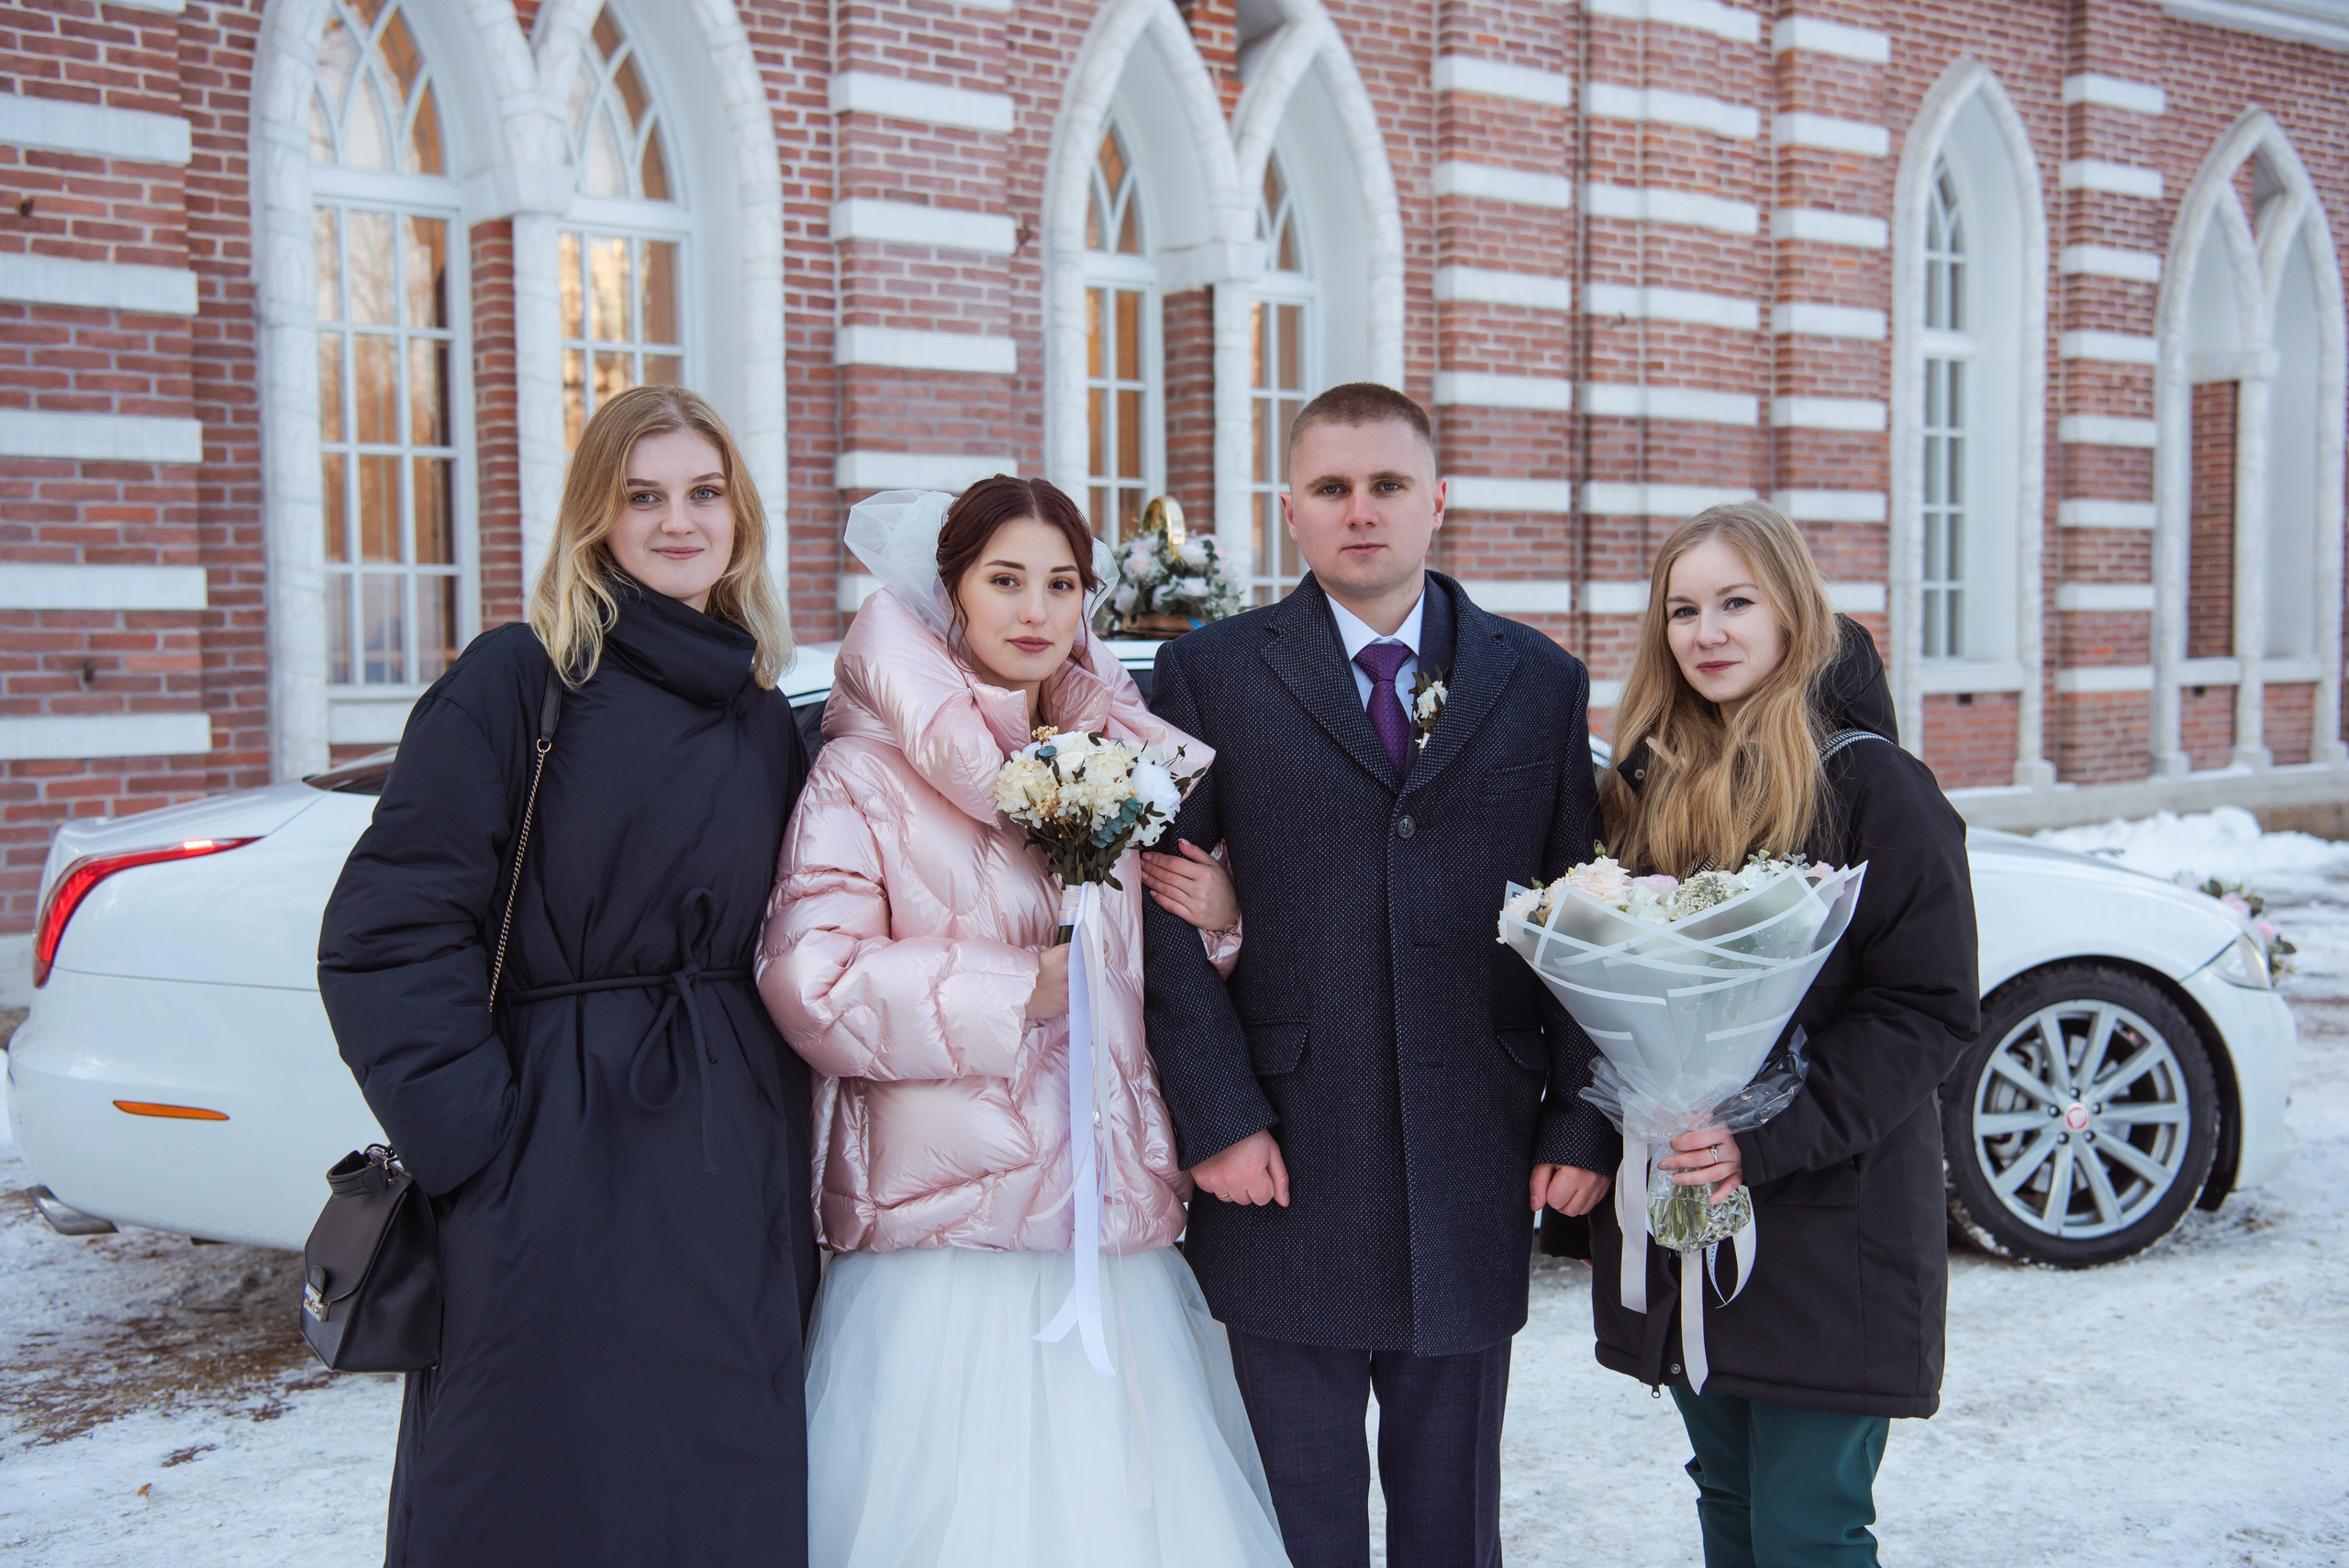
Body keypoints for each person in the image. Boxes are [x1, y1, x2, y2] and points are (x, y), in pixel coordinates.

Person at [317, 385, 817, 1567]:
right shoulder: (519, 678)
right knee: (533, 1481)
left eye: (704, 493)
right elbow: (388, 927)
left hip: (730, 1160)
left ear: (739, 514)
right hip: (551, 1156)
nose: (678, 522)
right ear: (595, 517)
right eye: (643, 496)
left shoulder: (757, 713)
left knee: (718, 1480)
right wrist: (480, 1142)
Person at [760, 477, 1289, 1568]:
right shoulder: (867, 771)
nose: (1036, 610)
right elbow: (810, 978)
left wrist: (1225, 918)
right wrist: (1015, 992)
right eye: (1005, 579)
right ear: (948, 591)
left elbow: (1170, 975)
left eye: (1061, 583)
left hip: (1106, 1223)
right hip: (947, 1240)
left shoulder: (1116, 759)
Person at [1138, 383, 1614, 1568]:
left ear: (1437, 500)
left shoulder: (1538, 681)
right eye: (1335, 488)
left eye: (1388, 485)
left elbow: (1587, 921)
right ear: (1290, 507)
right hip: (1282, 1161)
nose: (1363, 511)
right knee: (1300, 1522)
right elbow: (1161, 920)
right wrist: (1218, 1116)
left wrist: (1579, 1116)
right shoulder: (1207, 674)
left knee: (1452, 1524)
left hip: (1475, 1156)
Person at [1582, 500, 1979, 1567]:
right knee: (1727, 1499)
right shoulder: (1642, 788)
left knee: (1807, 1527)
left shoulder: (1873, 786)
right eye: (1682, 609)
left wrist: (1760, 1138)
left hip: (1827, 1225)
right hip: (1684, 1213)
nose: (1705, 631)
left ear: (1794, 611)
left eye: (1734, 602)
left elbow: (1926, 1007)